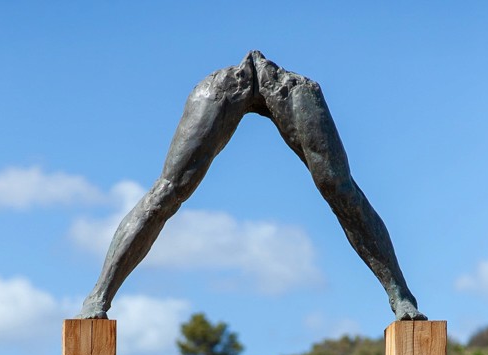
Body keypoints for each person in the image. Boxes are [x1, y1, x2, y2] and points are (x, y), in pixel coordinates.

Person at [79, 51, 425, 321]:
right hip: (225, 87)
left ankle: (400, 295)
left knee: (337, 186)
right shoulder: (217, 86)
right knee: (168, 190)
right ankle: (99, 296)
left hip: (287, 87)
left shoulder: (299, 89)